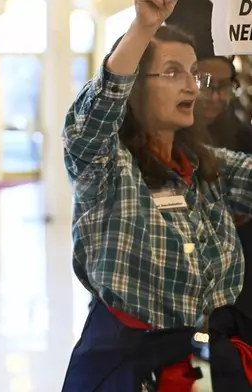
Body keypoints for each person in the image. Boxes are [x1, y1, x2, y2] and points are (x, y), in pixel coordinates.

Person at [61, 1, 252, 391]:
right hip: (129, 367)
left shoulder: (204, 165)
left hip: (203, 363)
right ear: (135, 87)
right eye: (172, 72)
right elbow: (93, 116)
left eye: (194, 74)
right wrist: (143, 27)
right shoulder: (106, 166)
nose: (190, 85)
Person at [197, 55, 252, 391]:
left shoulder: (242, 135)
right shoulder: (169, 138)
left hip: (242, 281)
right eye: (207, 85)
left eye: (225, 87)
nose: (216, 96)